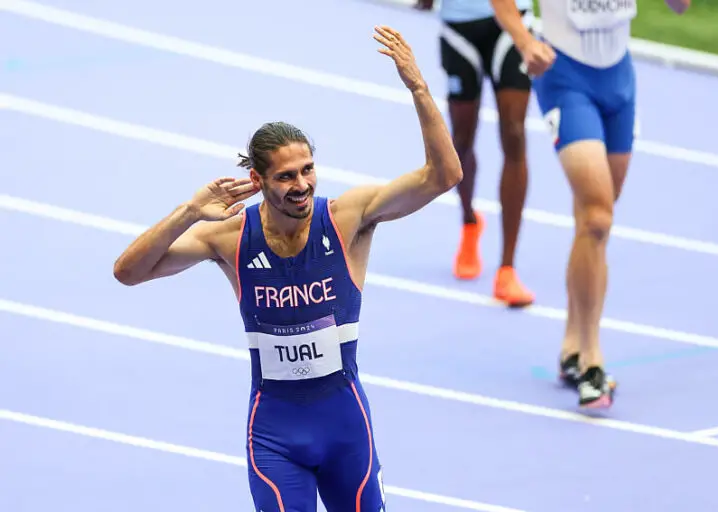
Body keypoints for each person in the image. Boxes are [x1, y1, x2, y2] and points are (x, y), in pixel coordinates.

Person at [112, 25, 461, 512]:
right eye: (286, 176)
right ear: (257, 180)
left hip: (346, 431)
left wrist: (419, 88)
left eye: (307, 170)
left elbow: (444, 176)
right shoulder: (229, 237)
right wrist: (189, 212)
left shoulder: (347, 218)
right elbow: (129, 272)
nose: (301, 185)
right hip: (275, 437)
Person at [487, 0, 691, 408]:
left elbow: (681, 7)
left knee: (593, 221)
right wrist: (525, 41)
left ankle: (572, 345)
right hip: (564, 74)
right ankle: (592, 360)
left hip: (619, 79)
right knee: (597, 217)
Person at [415, 0, 536, 307]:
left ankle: (507, 269)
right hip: (459, 25)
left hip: (512, 23)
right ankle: (469, 221)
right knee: (461, 140)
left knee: (514, 133)